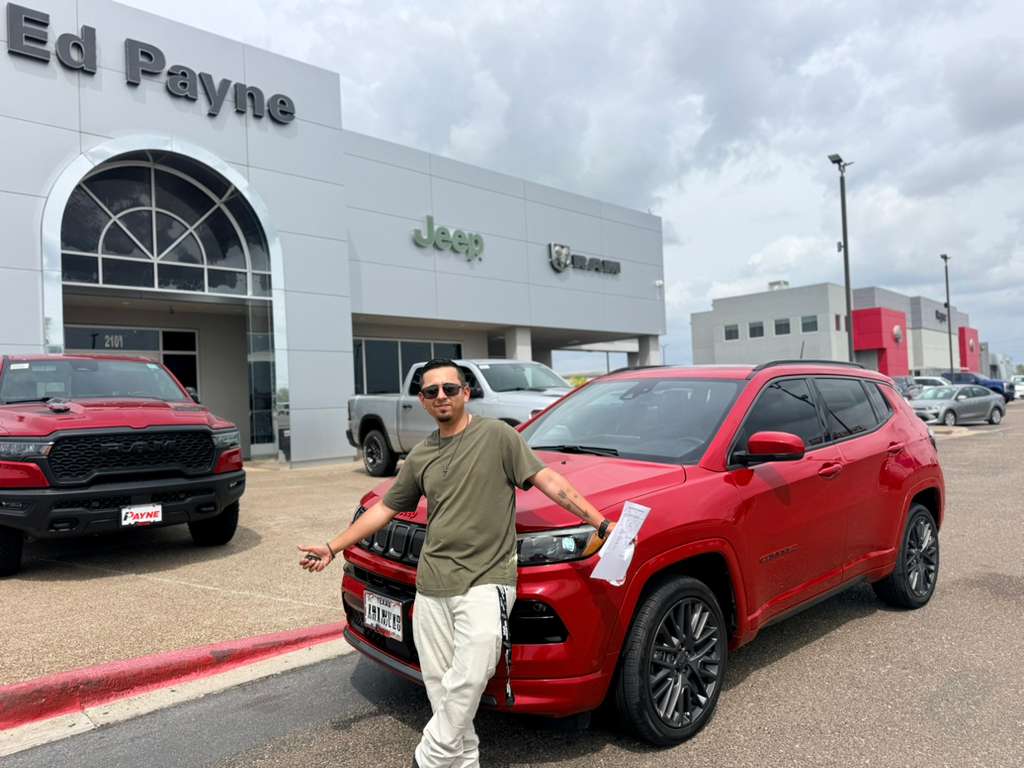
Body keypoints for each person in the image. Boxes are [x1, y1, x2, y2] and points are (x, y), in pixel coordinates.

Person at [298, 359, 614, 768]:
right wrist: (332, 545)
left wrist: (599, 521)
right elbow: (385, 509)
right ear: (423, 400)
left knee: (469, 677)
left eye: (450, 388)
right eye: (432, 392)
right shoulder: (421, 455)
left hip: (487, 580)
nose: (441, 396)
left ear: (466, 393)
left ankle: (427, 759)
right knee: (441, 686)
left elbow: (550, 481)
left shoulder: (498, 437)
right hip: (431, 586)